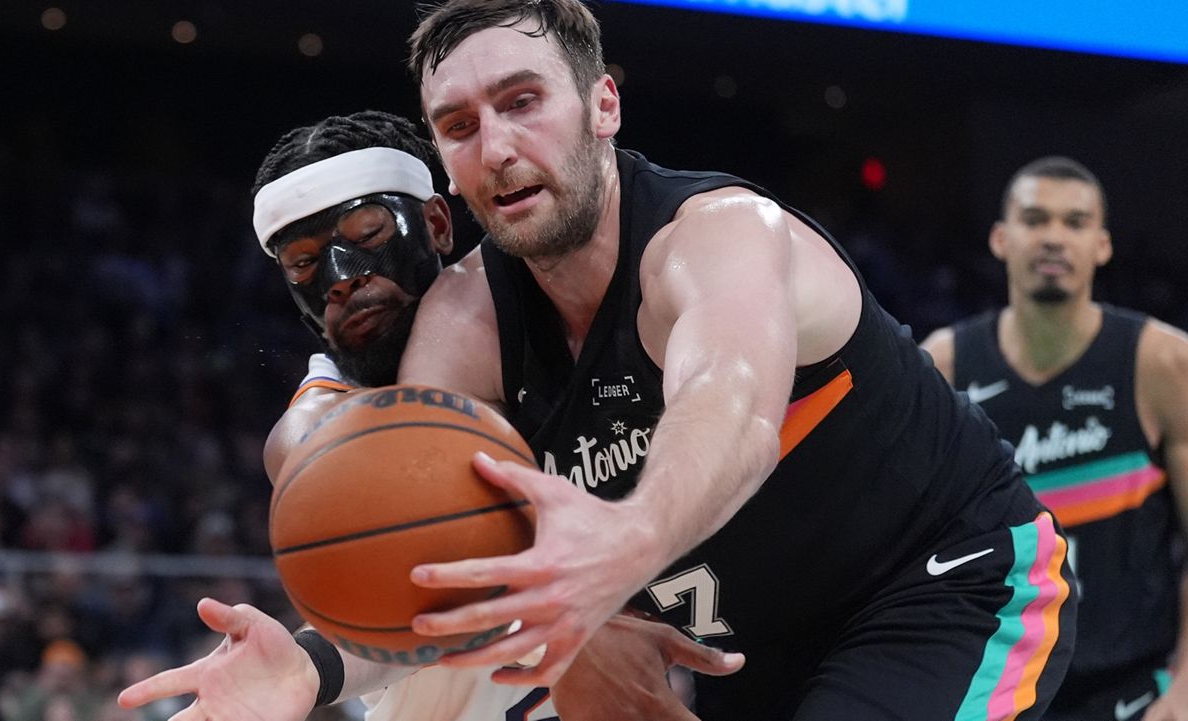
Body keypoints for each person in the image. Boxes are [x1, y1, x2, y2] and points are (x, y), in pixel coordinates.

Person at [376, 2, 1079, 719]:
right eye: (459, 126)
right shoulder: (462, 326)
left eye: (523, 101)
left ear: (603, 107)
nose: (495, 147)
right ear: (446, 167)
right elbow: (408, 550)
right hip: (751, 655)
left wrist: (632, 537)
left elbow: (730, 398)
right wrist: (307, 664)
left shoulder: (717, 236)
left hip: (943, 583)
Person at [116, 111, 742, 721]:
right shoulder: (318, 434)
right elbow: (421, 617)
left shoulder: (570, 319)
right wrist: (306, 667)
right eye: (304, 265)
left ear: (439, 223)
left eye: (367, 237)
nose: (340, 279)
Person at [921, 156, 1188, 721]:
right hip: (990, 689)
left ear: (1103, 244)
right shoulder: (943, 367)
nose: (1054, 238)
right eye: (1035, 219)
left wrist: (1186, 685)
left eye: (1075, 222)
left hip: (1134, 688)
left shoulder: (1162, 363)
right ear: (1000, 238)